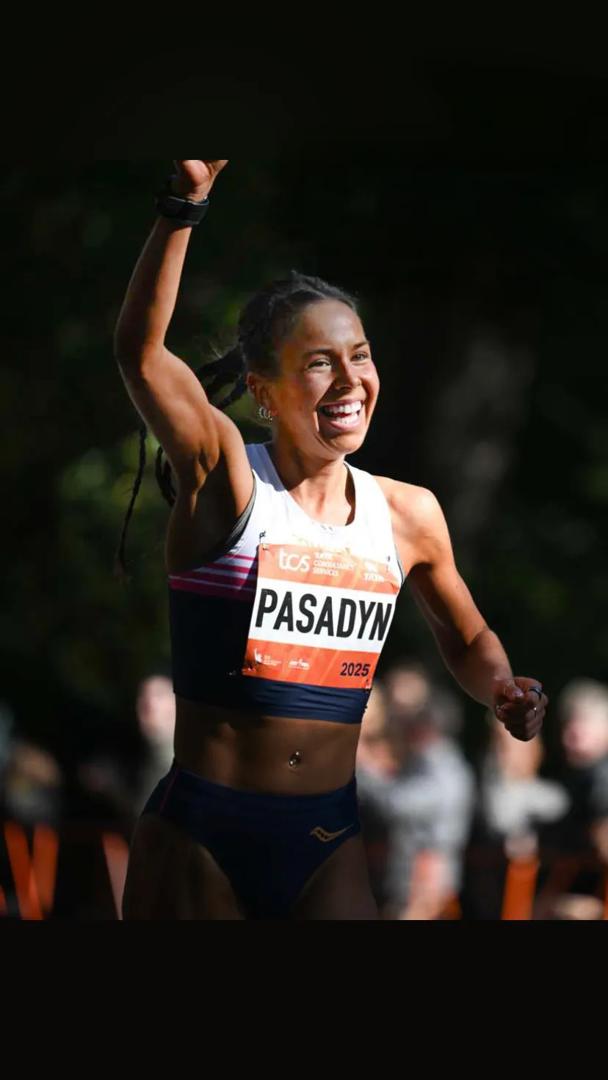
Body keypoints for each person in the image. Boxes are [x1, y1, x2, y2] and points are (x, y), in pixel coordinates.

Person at [114, 159, 548, 920]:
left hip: (326, 834)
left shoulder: (409, 513)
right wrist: (183, 208)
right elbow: (142, 357)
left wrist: (503, 687)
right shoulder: (227, 480)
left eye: (361, 356)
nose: (351, 381)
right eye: (319, 364)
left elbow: (467, 635)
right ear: (263, 392)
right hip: (204, 830)